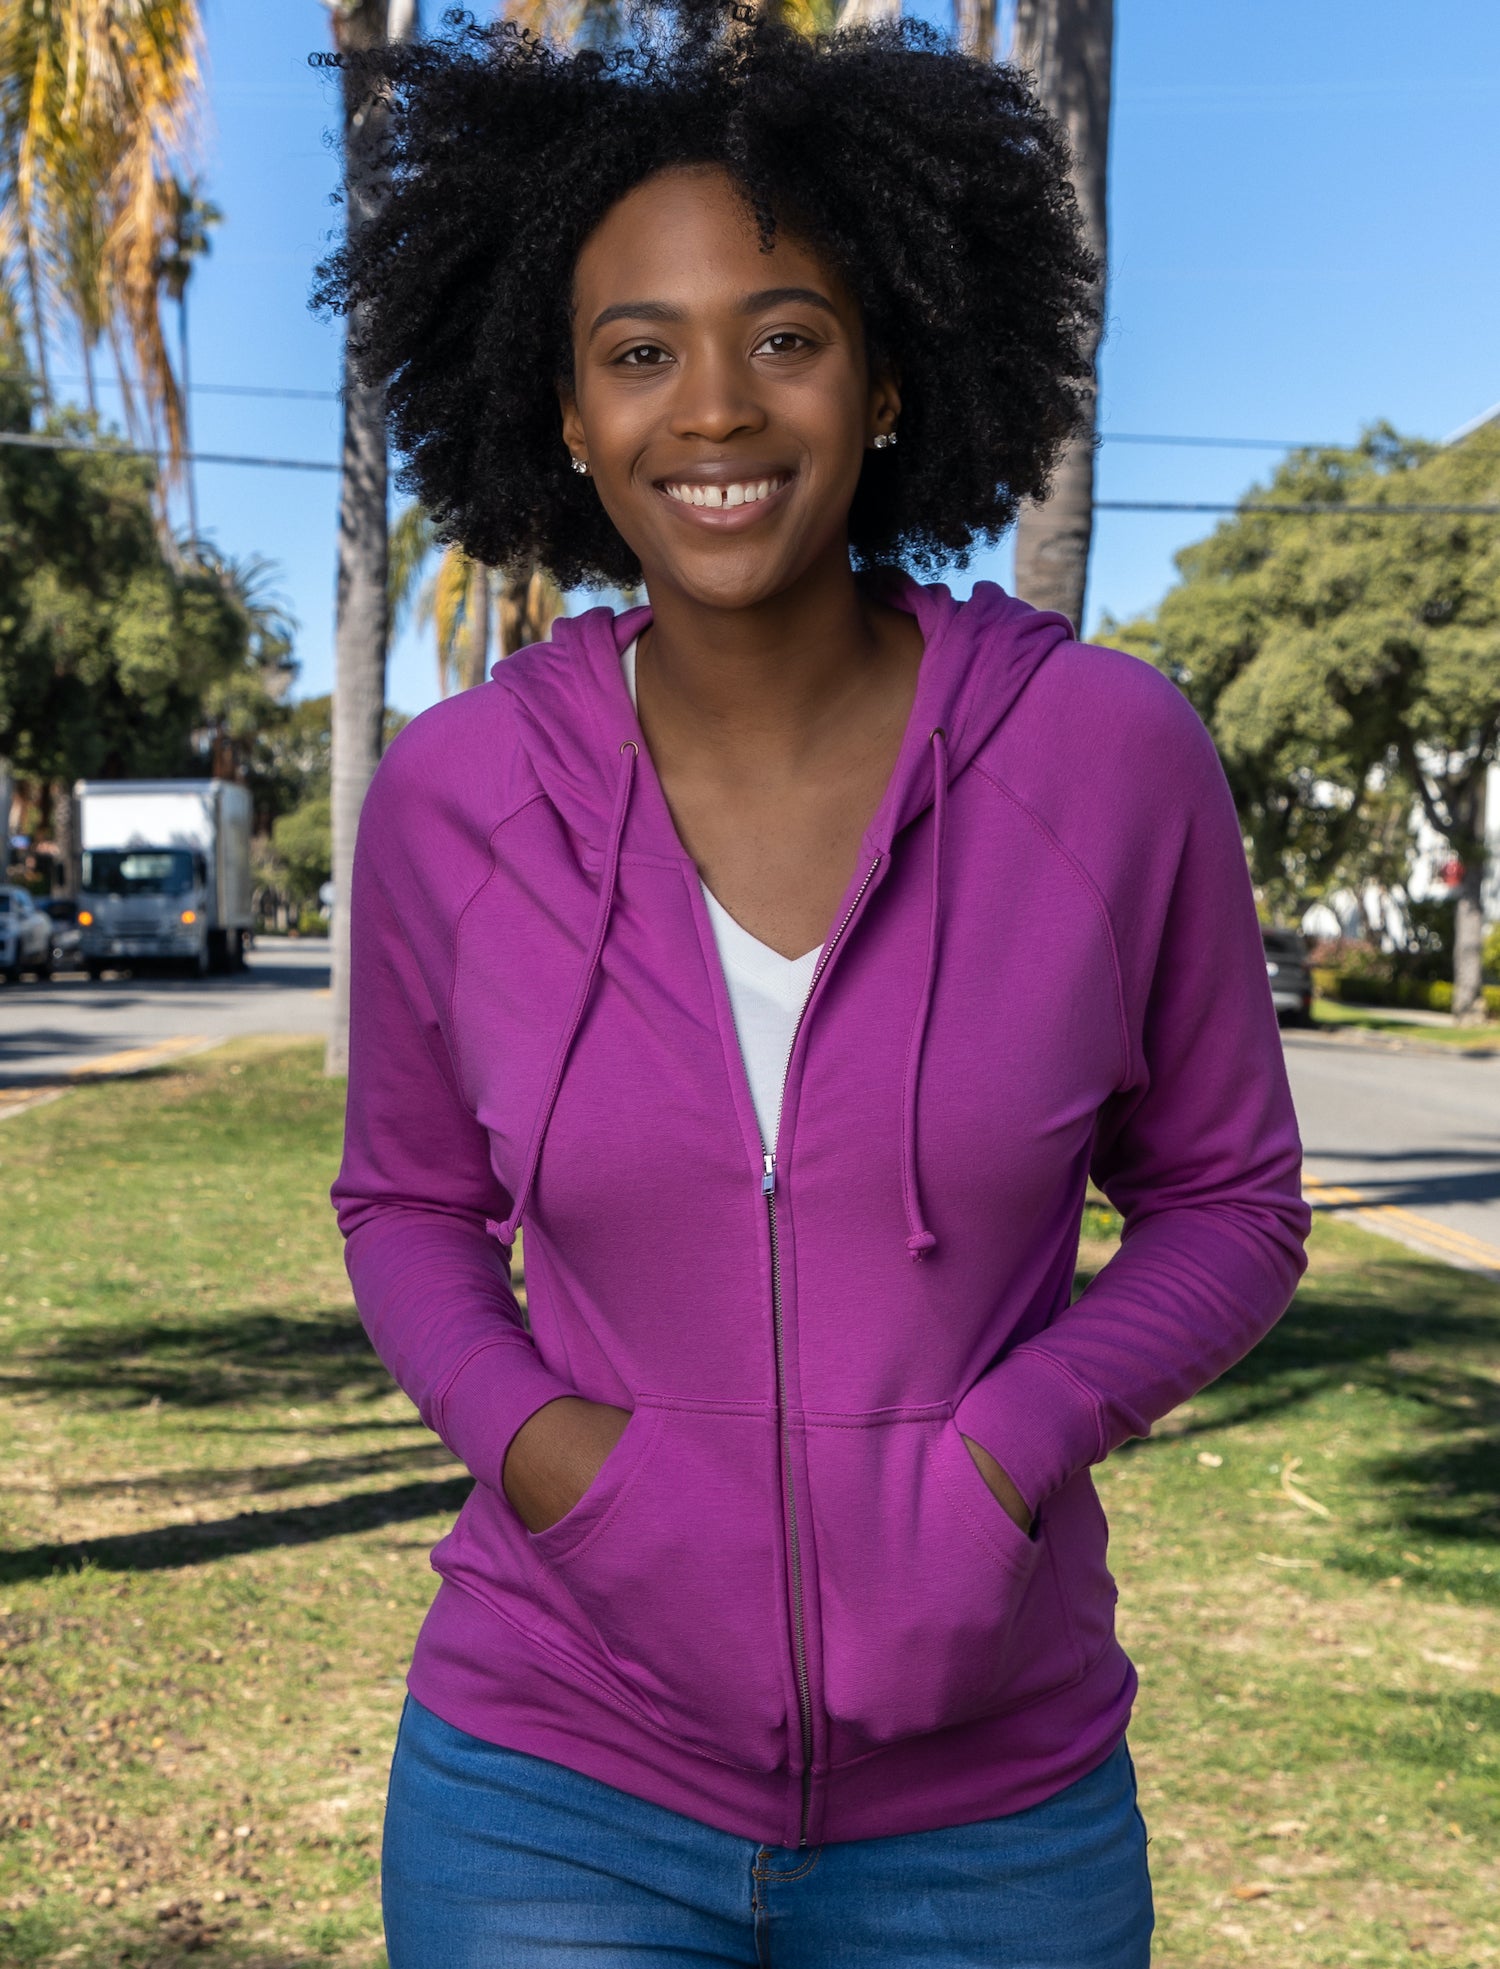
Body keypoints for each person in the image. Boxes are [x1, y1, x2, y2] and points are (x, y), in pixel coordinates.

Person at [321, 5, 1311, 1962]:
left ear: (884, 379)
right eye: (639, 353)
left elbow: (1232, 1202)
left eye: (785, 336)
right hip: (548, 1790)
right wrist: (567, 1467)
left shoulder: (1108, 761)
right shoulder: (455, 798)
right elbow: (406, 1207)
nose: (714, 409)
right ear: (566, 410)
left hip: (991, 1819)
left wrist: (1013, 1449)